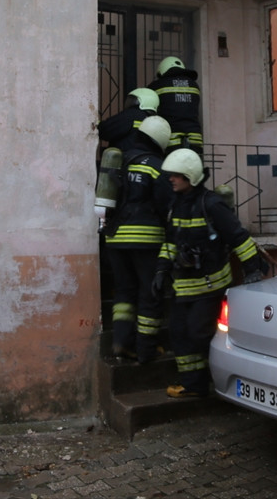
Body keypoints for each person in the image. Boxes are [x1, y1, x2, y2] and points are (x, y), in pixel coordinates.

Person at [153, 148, 267, 398]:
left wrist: (253, 270)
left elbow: (239, 238)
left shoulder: (212, 205)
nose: (171, 179)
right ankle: (193, 385)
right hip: (183, 287)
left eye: (176, 175)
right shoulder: (176, 205)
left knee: (199, 333)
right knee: (179, 333)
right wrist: (161, 269)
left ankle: (221, 380)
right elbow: (171, 243)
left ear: (190, 176)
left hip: (210, 286)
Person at [105, 114, 174, 364]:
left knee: (124, 293)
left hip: (115, 239)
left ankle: (121, 343)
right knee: (149, 293)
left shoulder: (120, 160)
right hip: (146, 240)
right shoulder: (157, 166)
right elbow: (167, 206)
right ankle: (146, 349)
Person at [148, 56, 203, 151]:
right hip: (195, 139)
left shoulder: (157, 85)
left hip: (171, 140)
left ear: (163, 69)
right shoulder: (194, 85)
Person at [98, 87, 159, 153]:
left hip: (127, 157)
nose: (130, 102)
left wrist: (97, 125)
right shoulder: (156, 121)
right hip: (148, 157)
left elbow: (106, 130)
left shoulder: (132, 114)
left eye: (134, 100)